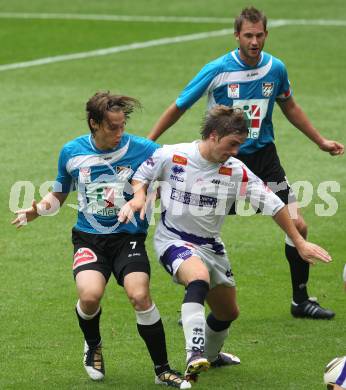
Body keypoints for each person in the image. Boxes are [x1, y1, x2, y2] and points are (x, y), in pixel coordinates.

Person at [147, 6, 344, 320]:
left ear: (266, 34)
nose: (254, 41)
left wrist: (320, 141)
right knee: (191, 224)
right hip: (223, 163)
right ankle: (193, 283)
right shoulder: (217, 69)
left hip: (264, 160)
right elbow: (180, 106)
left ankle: (300, 300)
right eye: (248, 35)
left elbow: (289, 106)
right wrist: (149, 143)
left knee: (300, 224)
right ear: (237, 35)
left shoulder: (275, 69)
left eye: (259, 35)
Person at [119, 105, 332, 380]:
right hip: (173, 239)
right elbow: (141, 176)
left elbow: (274, 205)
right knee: (198, 278)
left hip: (211, 245)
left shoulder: (235, 171)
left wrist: (299, 242)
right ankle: (194, 353)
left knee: (227, 312)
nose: (235, 151)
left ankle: (211, 356)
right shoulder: (172, 155)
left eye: (240, 145)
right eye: (232, 144)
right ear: (213, 136)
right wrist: (139, 196)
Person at [11, 92, 191, 389]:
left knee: (139, 295)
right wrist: (36, 212)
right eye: (112, 128)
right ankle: (93, 345)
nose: (120, 133)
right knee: (90, 296)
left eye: (122, 126)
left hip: (128, 238)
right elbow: (58, 193)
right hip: (89, 239)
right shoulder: (72, 152)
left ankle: (162, 370)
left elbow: (176, 169)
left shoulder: (144, 149)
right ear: (94, 124)